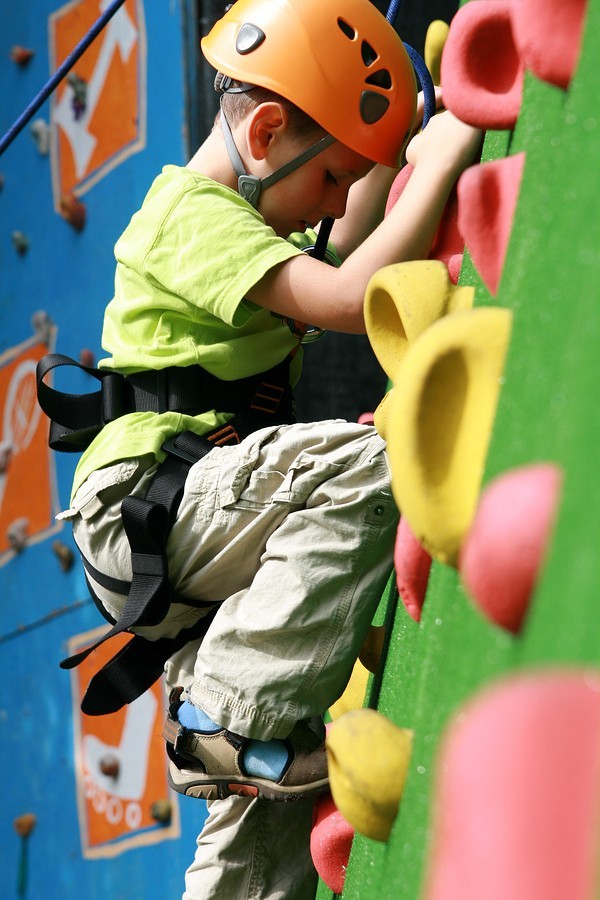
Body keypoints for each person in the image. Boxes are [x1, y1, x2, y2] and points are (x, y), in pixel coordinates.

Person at [53, 0, 482, 895]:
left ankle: (230, 741)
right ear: (269, 128)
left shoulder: (252, 202)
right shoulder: (187, 217)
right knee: (367, 464)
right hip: (146, 505)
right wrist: (437, 161)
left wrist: (394, 135)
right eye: (328, 180)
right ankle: (218, 713)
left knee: (265, 783)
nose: (332, 203)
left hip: (189, 520)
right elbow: (350, 291)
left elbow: (348, 227)